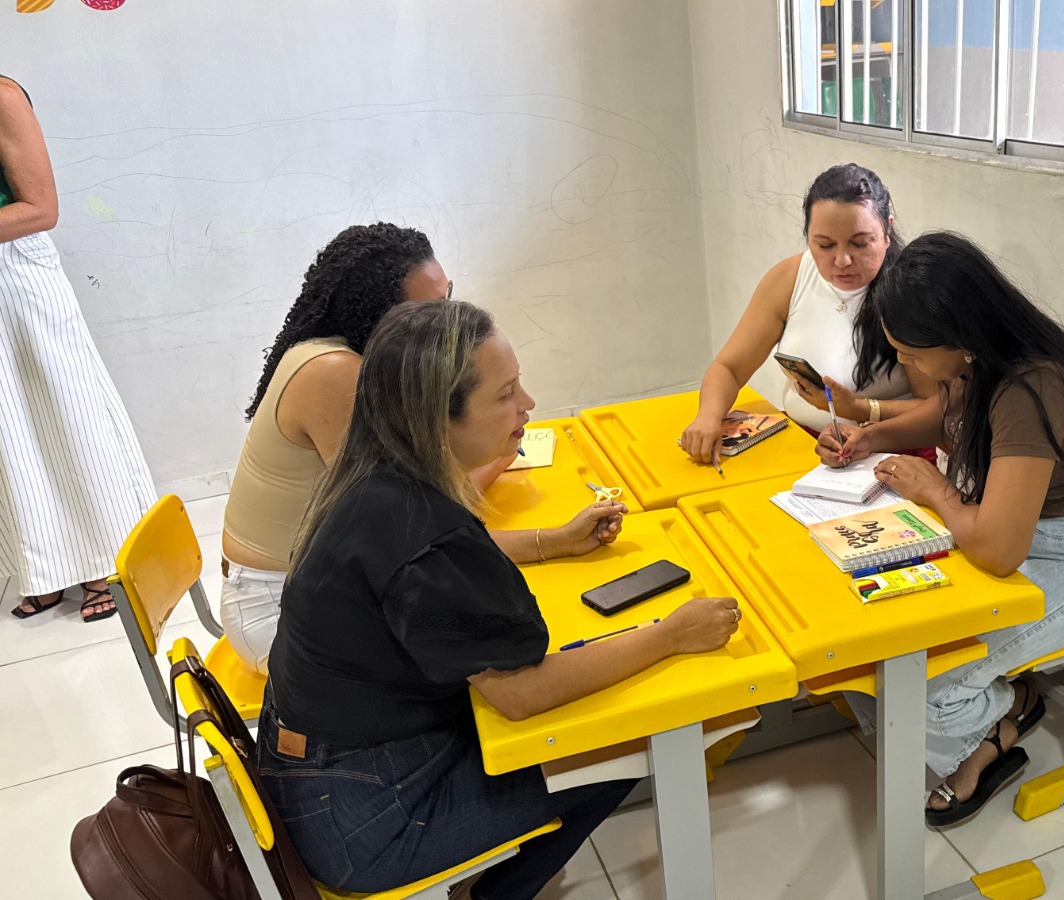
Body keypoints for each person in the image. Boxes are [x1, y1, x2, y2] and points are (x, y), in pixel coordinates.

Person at [259, 300, 741, 899]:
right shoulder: (427, 537)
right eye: (506, 393)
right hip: (364, 818)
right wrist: (670, 634)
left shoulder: (372, 477)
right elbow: (521, 693)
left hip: (313, 769)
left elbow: (433, 580)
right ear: (440, 418)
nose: (528, 405)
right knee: (623, 740)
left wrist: (553, 542)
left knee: (593, 680)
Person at [817, 232, 1064, 828]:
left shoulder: (1031, 385)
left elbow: (995, 550)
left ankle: (990, 730)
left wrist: (935, 491)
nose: (909, 369)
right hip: (1018, 531)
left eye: (913, 356)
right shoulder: (983, 357)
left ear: (959, 338)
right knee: (876, 640)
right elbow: (946, 411)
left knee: (921, 682)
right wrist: (869, 435)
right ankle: (1009, 698)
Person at [221, 224, 622, 674]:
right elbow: (416, 522)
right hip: (273, 610)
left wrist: (554, 539)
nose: (448, 320)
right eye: (431, 309)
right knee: (483, 667)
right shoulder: (338, 375)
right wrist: (493, 457)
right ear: (382, 316)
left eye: (448, 297)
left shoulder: (351, 362)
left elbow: (420, 521)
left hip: (318, 588)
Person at [0, 74, 155, 624]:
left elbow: (40, 208)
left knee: (69, 414)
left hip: (16, 274)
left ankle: (104, 564)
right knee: (9, 434)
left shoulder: (2, 96)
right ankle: (45, 570)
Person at [679, 163, 935, 467]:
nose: (842, 260)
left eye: (860, 242)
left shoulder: (911, 293)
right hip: (800, 445)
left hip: (890, 454)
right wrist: (708, 416)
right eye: (825, 244)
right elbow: (730, 367)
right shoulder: (790, 277)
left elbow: (940, 409)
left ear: (887, 231)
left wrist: (862, 411)